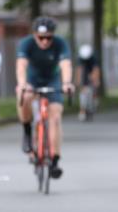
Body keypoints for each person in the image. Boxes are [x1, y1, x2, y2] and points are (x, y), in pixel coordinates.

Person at [16, 17, 75, 178]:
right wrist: (22, 84)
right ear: (35, 35)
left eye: (48, 37)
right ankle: (27, 131)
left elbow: (65, 65)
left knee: (55, 116)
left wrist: (67, 83)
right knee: (24, 96)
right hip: (32, 80)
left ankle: (55, 160)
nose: (44, 41)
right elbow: (21, 65)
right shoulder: (26, 44)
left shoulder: (60, 44)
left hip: (52, 80)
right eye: (41, 37)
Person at [76, 44, 101, 121]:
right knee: (83, 91)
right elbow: (79, 70)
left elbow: (96, 69)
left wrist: (96, 80)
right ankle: (82, 110)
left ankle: (94, 99)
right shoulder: (80, 58)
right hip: (85, 70)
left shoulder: (94, 57)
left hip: (92, 69)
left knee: (93, 85)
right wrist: (78, 81)